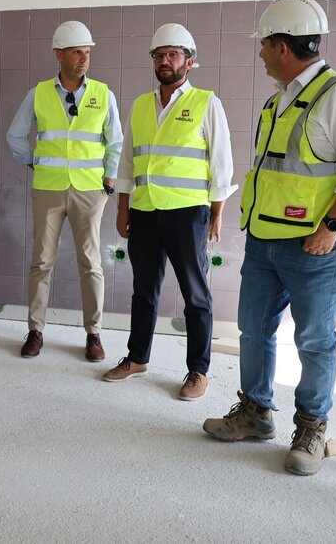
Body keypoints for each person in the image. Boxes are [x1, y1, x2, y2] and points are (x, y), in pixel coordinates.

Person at [203, 0, 336, 476]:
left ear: (281, 47)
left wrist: (330, 228)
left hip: (316, 245)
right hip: (265, 240)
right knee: (253, 330)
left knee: (315, 339)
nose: (260, 53)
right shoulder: (277, 100)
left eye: (264, 45)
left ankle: (311, 427)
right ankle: (255, 412)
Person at [101, 24, 236, 400]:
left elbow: (221, 163)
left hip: (188, 213)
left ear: (189, 62)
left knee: (195, 294)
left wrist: (217, 213)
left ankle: (198, 371)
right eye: (159, 55)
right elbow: (128, 162)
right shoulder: (141, 105)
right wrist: (123, 208)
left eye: (173, 55)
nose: (165, 61)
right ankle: (137, 358)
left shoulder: (207, 102)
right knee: (143, 290)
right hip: (145, 210)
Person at [7, 21, 123, 362]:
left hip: (90, 190)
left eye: (87, 52)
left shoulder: (103, 94)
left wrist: (109, 181)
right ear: (59, 55)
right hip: (48, 188)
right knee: (42, 261)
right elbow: (15, 135)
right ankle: (35, 331)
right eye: (76, 52)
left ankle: (94, 334)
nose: (84, 58)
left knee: (91, 262)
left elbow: (115, 141)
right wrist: (33, 162)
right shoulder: (39, 93)